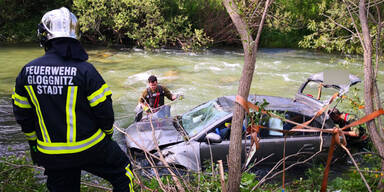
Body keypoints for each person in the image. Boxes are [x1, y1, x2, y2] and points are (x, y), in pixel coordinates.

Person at [11, 7, 134, 192]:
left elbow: (22, 115)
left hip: (51, 153)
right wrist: (107, 136)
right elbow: (105, 111)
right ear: (75, 36)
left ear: (44, 36)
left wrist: (34, 145)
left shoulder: (26, 71)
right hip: (90, 147)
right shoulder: (86, 70)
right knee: (123, 171)